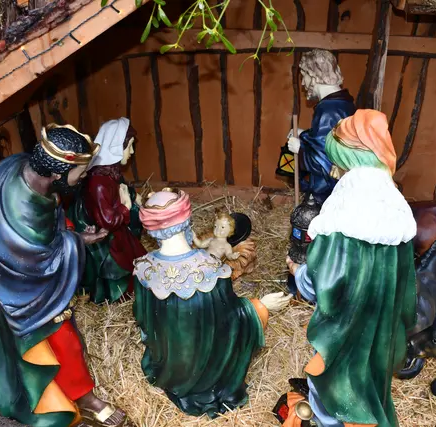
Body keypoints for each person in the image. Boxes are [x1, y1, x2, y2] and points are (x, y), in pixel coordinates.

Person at [0, 124, 126, 427]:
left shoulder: (23, 168)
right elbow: (36, 257)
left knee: (65, 342)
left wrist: (68, 232)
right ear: (58, 173)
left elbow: (47, 231)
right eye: (80, 173)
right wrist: (79, 242)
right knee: (65, 343)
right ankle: (83, 400)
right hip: (27, 294)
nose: (83, 177)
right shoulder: (22, 207)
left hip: (31, 281)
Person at [283, 110, 417, 427]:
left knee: (333, 385)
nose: (334, 172)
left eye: (337, 163)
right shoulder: (396, 213)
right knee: (368, 382)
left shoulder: (345, 217)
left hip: (346, 329)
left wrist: (298, 272)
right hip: (380, 329)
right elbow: (407, 286)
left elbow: (323, 282)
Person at [132, 188, 292, 418]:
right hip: (205, 373)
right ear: (187, 220)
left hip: (168, 367)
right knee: (255, 310)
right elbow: (229, 322)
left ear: (151, 229)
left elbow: (143, 320)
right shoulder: (210, 269)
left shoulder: (144, 268)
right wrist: (259, 306)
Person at [68, 118, 146, 304]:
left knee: (141, 261)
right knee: (126, 270)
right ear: (116, 147)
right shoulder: (99, 183)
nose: (132, 152)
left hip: (118, 230)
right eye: (129, 146)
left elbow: (121, 188)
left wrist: (133, 196)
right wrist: (126, 207)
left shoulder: (110, 172)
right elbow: (107, 221)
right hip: (105, 238)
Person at [286, 49, 356, 205]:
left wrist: (299, 149)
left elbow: (323, 163)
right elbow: (330, 139)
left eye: (304, 76)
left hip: (329, 197)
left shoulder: (328, 110)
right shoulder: (344, 103)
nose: (303, 83)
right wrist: (304, 135)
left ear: (314, 75)